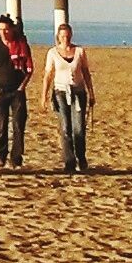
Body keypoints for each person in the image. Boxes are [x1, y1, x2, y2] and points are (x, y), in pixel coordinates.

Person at [0, 15, 32, 168]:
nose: (3, 32)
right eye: (0, 29)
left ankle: (16, 158)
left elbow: (29, 68)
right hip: (0, 91)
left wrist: (22, 87)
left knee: (18, 125)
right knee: (1, 125)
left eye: (6, 29)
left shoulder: (21, 45)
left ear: (12, 29)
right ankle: (0, 155)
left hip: (17, 91)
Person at [47, 18, 94, 173]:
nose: (65, 38)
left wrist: (91, 92)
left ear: (71, 35)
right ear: (58, 37)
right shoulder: (52, 53)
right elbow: (48, 75)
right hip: (60, 92)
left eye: (67, 36)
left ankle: (81, 158)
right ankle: (69, 161)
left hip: (78, 92)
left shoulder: (79, 51)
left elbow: (86, 72)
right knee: (66, 127)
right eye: (62, 36)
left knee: (79, 128)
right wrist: (44, 95)